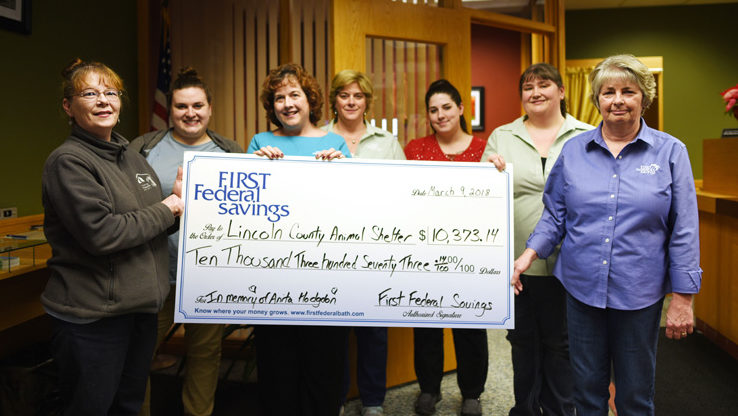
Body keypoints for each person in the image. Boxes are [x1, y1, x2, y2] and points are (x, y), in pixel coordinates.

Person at [512, 54, 701, 416]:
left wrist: (683, 297)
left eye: (628, 91)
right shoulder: (574, 151)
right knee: (586, 393)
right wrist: (529, 255)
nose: (617, 100)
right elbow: (556, 214)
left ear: (643, 98)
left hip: (639, 293)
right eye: (607, 91)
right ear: (596, 98)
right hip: (581, 290)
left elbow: (685, 229)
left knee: (634, 397)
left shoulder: (670, 152)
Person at [42, 58, 184, 415]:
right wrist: (168, 208)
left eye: (111, 92)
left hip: (139, 313)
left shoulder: (131, 157)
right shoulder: (69, 162)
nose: (103, 100)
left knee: (127, 406)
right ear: (68, 107)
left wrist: (179, 207)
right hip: (94, 319)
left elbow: (152, 223)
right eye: (89, 93)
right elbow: (102, 234)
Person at [131, 67, 244, 416]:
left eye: (197, 105)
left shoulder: (231, 151)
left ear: (210, 108)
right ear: (172, 110)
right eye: (181, 106)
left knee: (206, 356)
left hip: (207, 277)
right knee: (139, 355)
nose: (190, 113)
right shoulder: (143, 149)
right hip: (156, 273)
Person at [484, 63, 592, 416]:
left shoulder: (588, 134)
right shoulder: (503, 136)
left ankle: (561, 410)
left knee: (563, 344)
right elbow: (481, 193)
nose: (535, 92)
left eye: (544, 85)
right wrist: (487, 171)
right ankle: (525, 409)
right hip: (518, 262)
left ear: (561, 91)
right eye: (528, 87)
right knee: (523, 343)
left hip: (571, 263)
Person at [247, 63, 349, 416]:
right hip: (274, 279)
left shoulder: (336, 143)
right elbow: (247, 211)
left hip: (326, 278)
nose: (287, 104)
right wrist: (254, 168)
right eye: (279, 98)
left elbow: (353, 209)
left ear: (310, 100)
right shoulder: (261, 142)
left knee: (324, 369)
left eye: (295, 95)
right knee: (278, 370)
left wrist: (342, 169)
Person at [322, 69, 405, 416]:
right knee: (333, 335)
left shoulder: (386, 142)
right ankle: (336, 399)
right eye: (344, 95)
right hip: (327, 248)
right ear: (335, 100)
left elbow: (403, 191)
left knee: (374, 332)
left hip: (375, 249)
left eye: (358, 96)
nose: (351, 102)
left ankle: (373, 402)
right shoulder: (319, 138)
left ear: (367, 101)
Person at [404, 79, 488, 416]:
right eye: (434, 110)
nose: (441, 115)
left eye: (447, 107)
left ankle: (471, 392)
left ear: (461, 109)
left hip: (470, 253)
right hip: (425, 251)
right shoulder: (414, 149)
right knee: (426, 322)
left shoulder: (485, 151)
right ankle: (429, 389)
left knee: (470, 324)